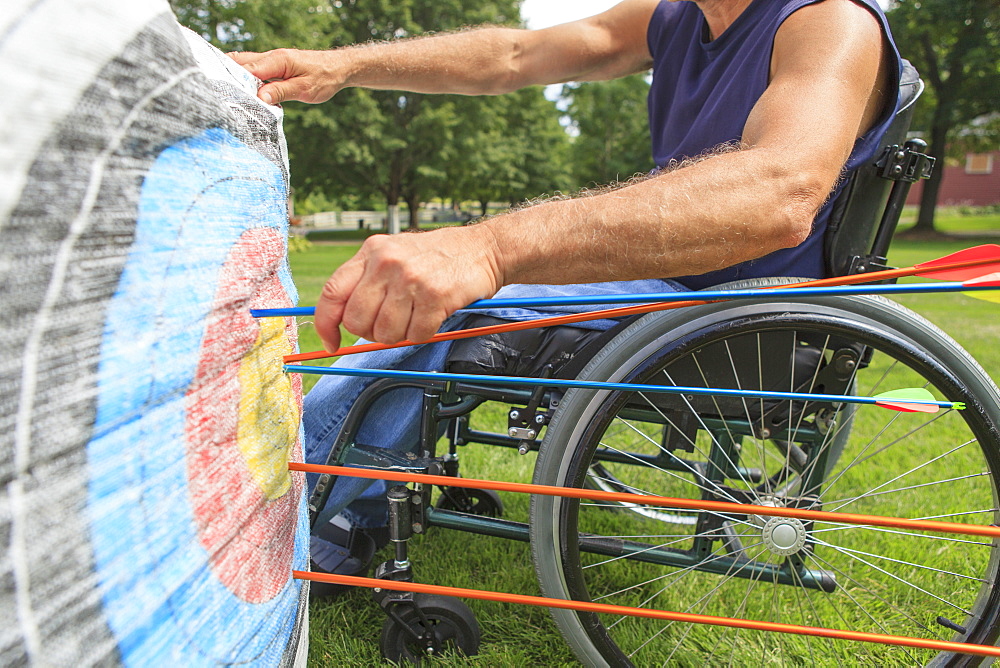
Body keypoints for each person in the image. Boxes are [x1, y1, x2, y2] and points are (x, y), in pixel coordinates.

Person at [231, 0, 902, 584]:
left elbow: (780, 192)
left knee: (454, 294)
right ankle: (354, 499)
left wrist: (486, 248)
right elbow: (515, 53)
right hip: (675, 288)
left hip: (730, 315)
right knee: (460, 277)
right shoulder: (678, 16)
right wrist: (342, 65)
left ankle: (283, 515)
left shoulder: (830, 21)